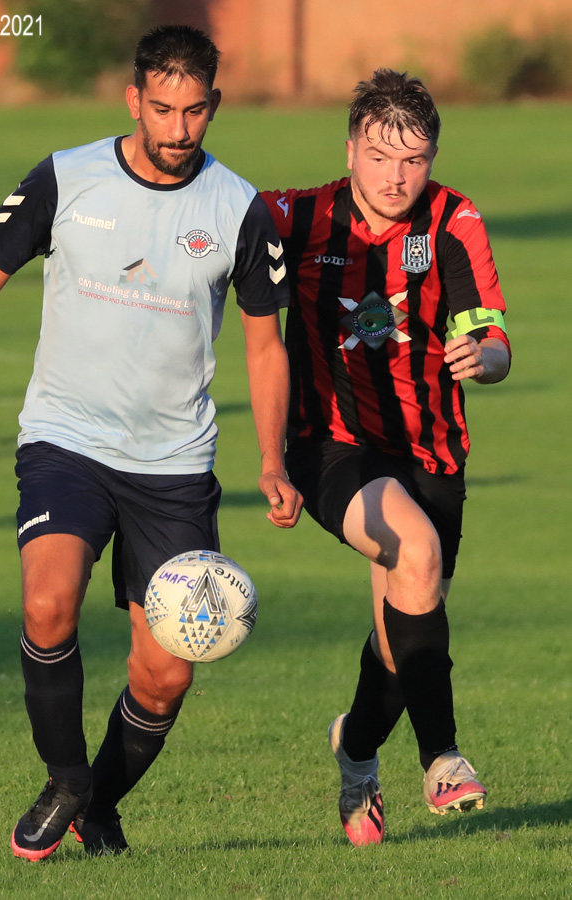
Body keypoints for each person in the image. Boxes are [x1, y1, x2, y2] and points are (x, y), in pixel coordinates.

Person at [0, 25, 302, 860]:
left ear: (213, 106)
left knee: (167, 674)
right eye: (162, 108)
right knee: (48, 601)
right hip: (66, 440)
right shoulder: (66, 175)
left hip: (175, 466)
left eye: (194, 111)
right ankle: (67, 778)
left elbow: (265, 345)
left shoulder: (240, 208)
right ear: (133, 100)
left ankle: (97, 801)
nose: (178, 128)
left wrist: (270, 460)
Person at [262, 69, 510, 846]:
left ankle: (357, 751)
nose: (395, 177)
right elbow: (197, 225)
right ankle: (441, 759)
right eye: (378, 157)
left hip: (432, 450)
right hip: (330, 445)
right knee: (416, 555)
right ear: (349, 149)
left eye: (413, 160)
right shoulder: (293, 218)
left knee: (405, 634)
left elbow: (492, 336)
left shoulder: (451, 219)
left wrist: (487, 356)